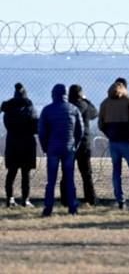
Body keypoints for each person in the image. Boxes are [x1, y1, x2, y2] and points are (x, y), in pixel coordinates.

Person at [38, 84, 83, 216]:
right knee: (69, 178)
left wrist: (45, 147)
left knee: (51, 180)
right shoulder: (73, 109)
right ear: (66, 95)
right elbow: (80, 130)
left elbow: (42, 131)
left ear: (53, 94)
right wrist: (75, 145)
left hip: (52, 148)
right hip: (69, 147)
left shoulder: (47, 110)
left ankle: (48, 208)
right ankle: (72, 208)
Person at [98, 78, 129, 209]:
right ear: (125, 87)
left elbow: (101, 124)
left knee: (116, 171)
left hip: (114, 142)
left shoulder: (105, 103)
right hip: (128, 141)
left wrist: (110, 135)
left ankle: (120, 201)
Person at [60, 84, 98, 206]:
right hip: (84, 143)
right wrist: (86, 99)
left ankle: (66, 199)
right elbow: (95, 113)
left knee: (66, 173)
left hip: (68, 142)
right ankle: (90, 199)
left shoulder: (66, 107)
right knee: (86, 173)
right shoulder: (85, 106)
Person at [1, 83, 38, 208]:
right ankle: (25, 200)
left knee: (11, 172)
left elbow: (7, 124)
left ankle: (9, 199)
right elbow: (35, 126)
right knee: (25, 174)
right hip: (27, 143)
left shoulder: (7, 110)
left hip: (12, 142)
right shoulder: (30, 108)